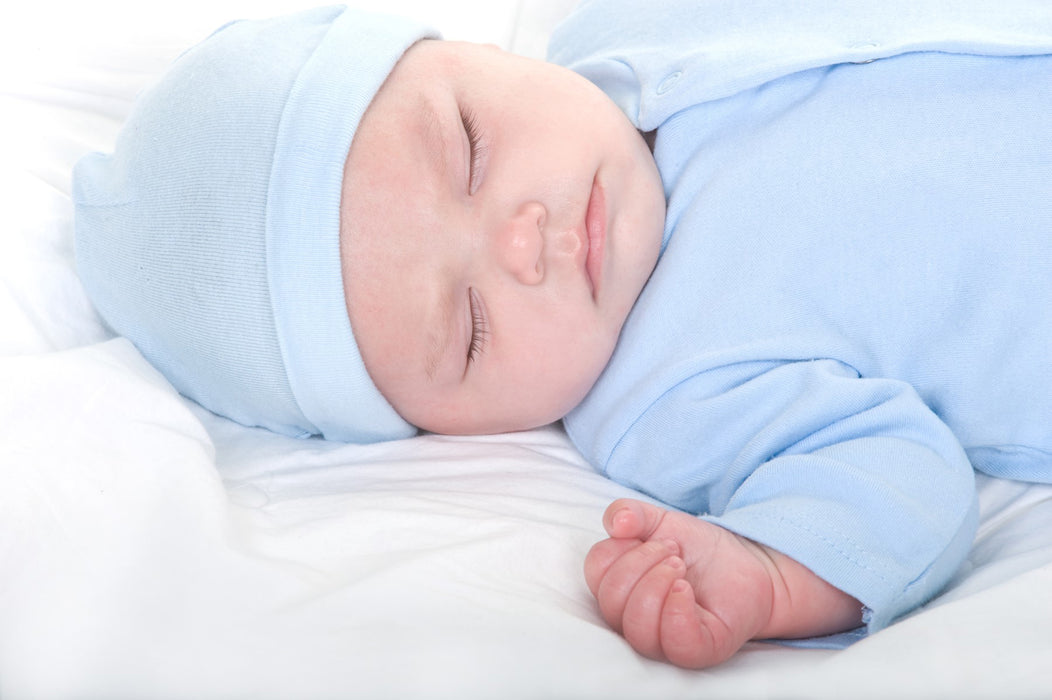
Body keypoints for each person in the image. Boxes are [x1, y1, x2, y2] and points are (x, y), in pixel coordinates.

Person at [72, 1, 1052, 669]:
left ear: (476, 54)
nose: (520, 239)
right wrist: (765, 570)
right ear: (444, 428)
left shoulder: (625, 30)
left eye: (469, 148)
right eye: (468, 329)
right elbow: (897, 480)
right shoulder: (664, 398)